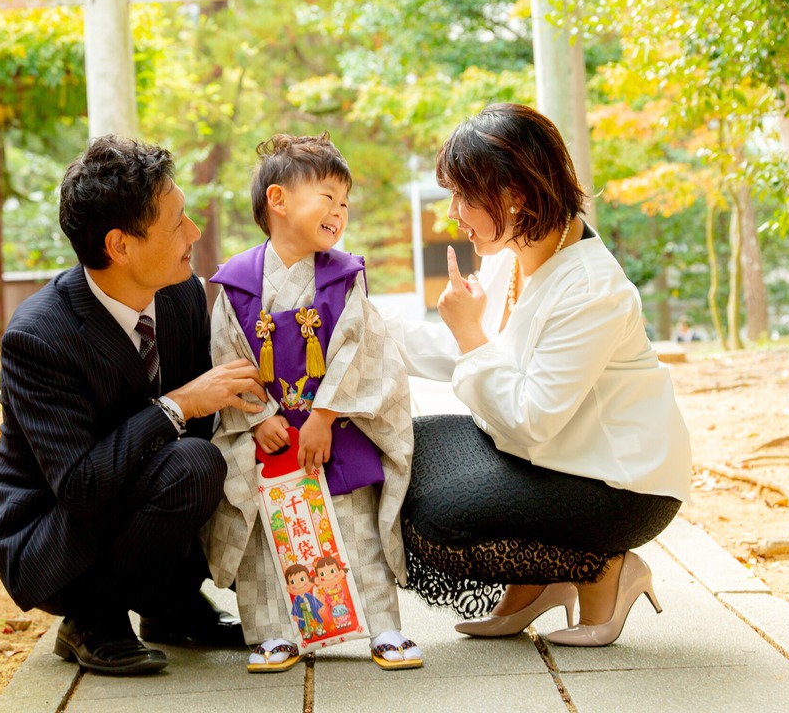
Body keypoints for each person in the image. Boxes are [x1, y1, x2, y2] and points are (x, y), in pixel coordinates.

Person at [383, 103, 691, 647]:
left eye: (464, 195)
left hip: (615, 485)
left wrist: (471, 334)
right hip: (551, 457)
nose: (453, 212)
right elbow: (471, 355)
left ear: (514, 196)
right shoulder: (514, 251)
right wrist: (360, 324)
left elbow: (530, 419)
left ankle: (604, 569)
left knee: (439, 517)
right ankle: (535, 584)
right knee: (399, 449)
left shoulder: (592, 289)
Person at [0, 135, 269, 676]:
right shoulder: (40, 337)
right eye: (177, 222)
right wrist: (177, 405)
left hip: (134, 496)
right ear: (120, 245)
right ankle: (91, 619)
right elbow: (80, 485)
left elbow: (203, 423)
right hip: (52, 537)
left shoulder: (181, 293)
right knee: (192, 460)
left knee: (209, 455)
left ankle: (171, 606)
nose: (194, 232)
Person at [204, 133, 421, 672]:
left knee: (357, 528)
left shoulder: (345, 278)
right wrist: (257, 418)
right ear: (278, 201)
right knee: (264, 534)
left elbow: (359, 349)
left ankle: (385, 627)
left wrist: (323, 416)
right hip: (272, 436)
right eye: (326, 197)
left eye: (344, 202)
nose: (339, 211)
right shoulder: (236, 284)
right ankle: (274, 633)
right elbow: (228, 358)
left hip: (334, 431)